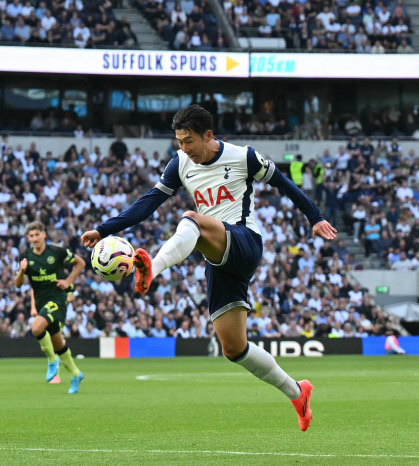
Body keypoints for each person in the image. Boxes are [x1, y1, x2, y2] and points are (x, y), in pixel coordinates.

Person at [81, 105, 337, 431]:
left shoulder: (244, 157)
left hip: (244, 241)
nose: (184, 149)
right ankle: (297, 392)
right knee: (234, 348)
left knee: (191, 220)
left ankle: (151, 270)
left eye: (189, 141)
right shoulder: (180, 163)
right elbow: (147, 203)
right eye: (179, 141)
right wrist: (104, 229)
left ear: (209, 136)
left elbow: (284, 184)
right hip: (217, 258)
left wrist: (315, 217)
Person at [14, 221, 86, 394]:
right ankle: (76, 374)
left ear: (44, 234)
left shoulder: (57, 252)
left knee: (36, 328)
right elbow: (18, 285)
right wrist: (22, 271)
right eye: (31, 236)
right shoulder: (25, 256)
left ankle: (52, 361)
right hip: (41, 301)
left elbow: (81, 263)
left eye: (37, 234)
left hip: (57, 299)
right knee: (58, 343)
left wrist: (68, 281)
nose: (35, 238)